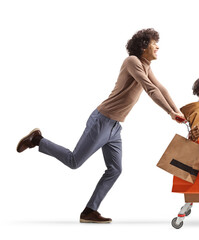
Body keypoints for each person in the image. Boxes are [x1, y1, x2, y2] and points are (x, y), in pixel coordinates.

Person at [16, 28, 184, 223]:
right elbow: (150, 89)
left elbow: (160, 87)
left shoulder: (146, 66)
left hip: (115, 127)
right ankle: (37, 140)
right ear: (143, 46)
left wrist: (177, 110)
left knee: (115, 169)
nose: (158, 46)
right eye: (154, 43)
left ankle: (89, 211)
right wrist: (170, 113)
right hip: (102, 121)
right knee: (74, 162)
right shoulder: (132, 61)